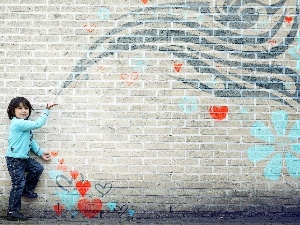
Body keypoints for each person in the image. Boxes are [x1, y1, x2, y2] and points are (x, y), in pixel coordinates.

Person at [5, 97, 57, 221]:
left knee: (37, 168)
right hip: (14, 160)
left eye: (26, 108)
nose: (23, 111)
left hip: (23, 159)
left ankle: (27, 190)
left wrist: (40, 153)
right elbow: (38, 124)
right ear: (13, 111)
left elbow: (31, 140)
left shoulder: (24, 126)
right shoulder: (17, 123)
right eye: (19, 108)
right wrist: (46, 110)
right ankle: (12, 211)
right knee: (18, 184)